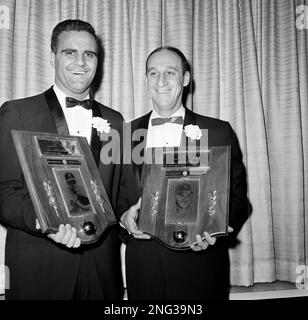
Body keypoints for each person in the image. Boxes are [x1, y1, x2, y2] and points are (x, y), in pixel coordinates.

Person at [0, 19, 123, 300]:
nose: (81, 62)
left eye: (89, 54)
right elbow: (4, 193)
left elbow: (119, 195)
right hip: (40, 269)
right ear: (53, 56)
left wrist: (133, 216)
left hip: (101, 272)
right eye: (70, 52)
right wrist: (46, 222)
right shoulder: (17, 113)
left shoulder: (115, 122)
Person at [117, 46, 249, 300]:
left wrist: (217, 230)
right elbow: (116, 197)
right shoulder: (124, 135)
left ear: (186, 79)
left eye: (170, 72)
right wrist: (125, 219)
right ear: (146, 80)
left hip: (201, 267)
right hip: (144, 269)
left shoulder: (218, 131)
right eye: (153, 73)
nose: (161, 81)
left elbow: (239, 198)